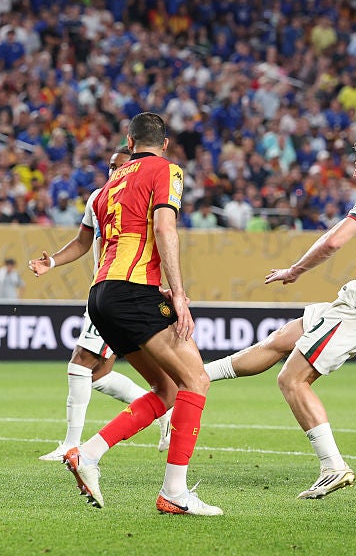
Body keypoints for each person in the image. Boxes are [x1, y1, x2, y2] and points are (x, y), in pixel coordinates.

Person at [203, 132, 356, 499]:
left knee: (292, 380)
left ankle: (333, 466)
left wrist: (295, 270)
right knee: (283, 337)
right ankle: (199, 376)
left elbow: (333, 241)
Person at [32, 112, 221, 516]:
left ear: (129, 142)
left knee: (168, 389)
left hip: (101, 294)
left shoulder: (104, 188)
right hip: (132, 292)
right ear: (165, 144)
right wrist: (181, 296)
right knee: (197, 379)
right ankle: (174, 492)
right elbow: (164, 228)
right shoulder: (167, 171)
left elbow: (98, 241)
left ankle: (88, 453)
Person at [28, 150, 172, 463]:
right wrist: (51, 262)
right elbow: (82, 242)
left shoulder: (143, 196)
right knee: (98, 375)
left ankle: (71, 445)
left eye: (122, 166)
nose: (116, 170)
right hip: (104, 291)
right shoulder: (98, 198)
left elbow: (161, 234)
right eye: (111, 166)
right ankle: (165, 409)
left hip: (123, 292)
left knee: (80, 363)